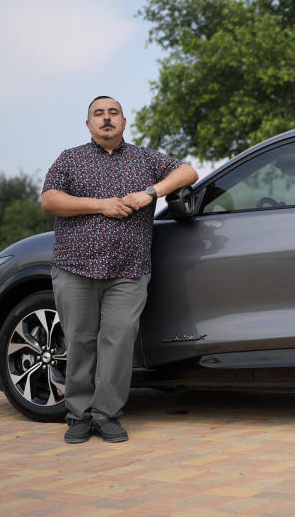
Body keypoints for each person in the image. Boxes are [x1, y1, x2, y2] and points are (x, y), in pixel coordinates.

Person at [41, 96, 198, 443]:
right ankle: (78, 416)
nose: (106, 118)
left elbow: (188, 171)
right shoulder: (70, 159)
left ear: (124, 122)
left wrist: (150, 193)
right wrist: (101, 206)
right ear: (88, 125)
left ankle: (107, 414)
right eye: (99, 114)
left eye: (113, 113)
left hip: (129, 270)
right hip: (75, 267)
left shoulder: (145, 159)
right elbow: (50, 199)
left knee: (118, 343)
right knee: (80, 341)